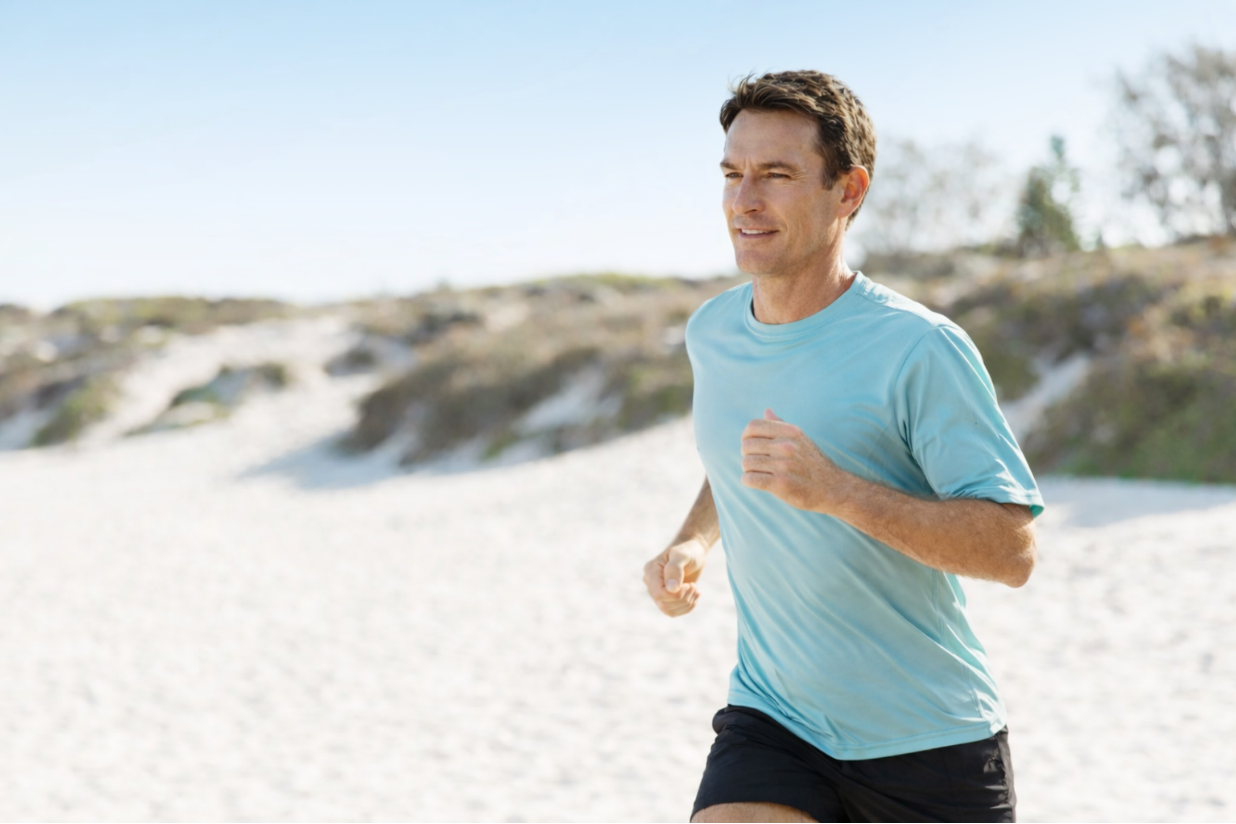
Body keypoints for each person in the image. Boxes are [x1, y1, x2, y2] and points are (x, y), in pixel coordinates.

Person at [641, 71, 1044, 824]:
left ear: (848, 191)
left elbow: (1011, 550)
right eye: (733, 174)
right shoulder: (713, 333)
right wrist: (693, 541)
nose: (743, 201)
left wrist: (839, 491)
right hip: (774, 718)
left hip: (927, 740)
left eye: (777, 175)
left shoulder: (920, 347)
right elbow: (735, 459)